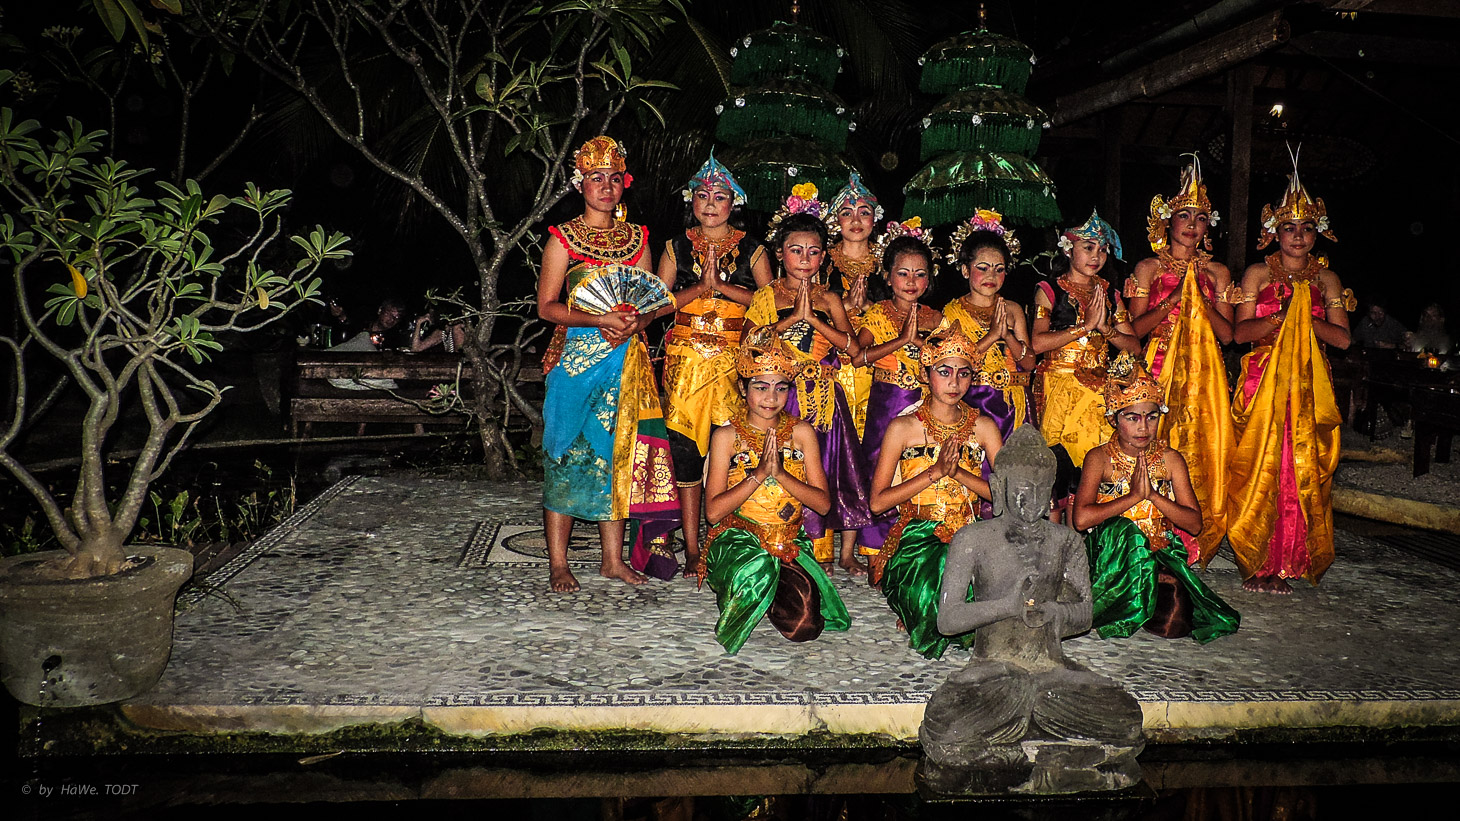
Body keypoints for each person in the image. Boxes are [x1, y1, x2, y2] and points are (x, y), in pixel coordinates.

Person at [537, 135, 679, 593]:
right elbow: (547, 307)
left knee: (616, 456)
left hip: (626, 361)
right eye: (596, 178)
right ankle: (558, 563)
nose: (606, 186)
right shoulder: (562, 238)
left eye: (614, 178)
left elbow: (652, 302)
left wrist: (637, 323)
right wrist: (599, 319)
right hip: (576, 360)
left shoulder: (638, 240)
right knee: (565, 454)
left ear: (624, 185)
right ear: (580, 184)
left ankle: (612, 561)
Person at [1229, 150, 1354, 594]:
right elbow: (1240, 334)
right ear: (1273, 232)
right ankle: (1257, 559)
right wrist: (1280, 319)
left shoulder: (1327, 280)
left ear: (1318, 233)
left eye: (1306, 228)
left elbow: (1342, 340)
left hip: (1308, 384)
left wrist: (1303, 316)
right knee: (1261, 466)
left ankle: (1289, 562)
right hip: (1263, 380)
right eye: (1289, 227)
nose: (1298, 236)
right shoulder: (1257, 274)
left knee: (1301, 470)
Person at [698, 328, 850, 655]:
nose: (771, 398)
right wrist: (758, 475)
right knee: (756, 573)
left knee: (805, 626)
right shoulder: (726, 437)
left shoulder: (801, 433)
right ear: (743, 388)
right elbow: (713, 512)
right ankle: (756, 589)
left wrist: (780, 473)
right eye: (761, 387)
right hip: (739, 539)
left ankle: (772, 593)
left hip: (788, 541)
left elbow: (823, 505)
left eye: (781, 388)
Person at [1072, 353, 1241, 643]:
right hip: (1112, 557)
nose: (1143, 427)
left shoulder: (1170, 459)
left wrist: (1152, 495)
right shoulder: (1099, 458)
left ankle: (1140, 600)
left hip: (1158, 553)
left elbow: (1194, 524)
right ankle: (1126, 601)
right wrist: (1133, 497)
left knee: (1175, 621)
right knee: (1125, 532)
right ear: (1114, 419)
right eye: (1133, 418)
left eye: (1152, 417)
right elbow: (1081, 520)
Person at [658, 152, 772, 577]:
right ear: (692, 201)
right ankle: (692, 547)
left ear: (733, 202)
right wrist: (699, 289)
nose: (710, 204)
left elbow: (771, 304)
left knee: (733, 450)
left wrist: (720, 287)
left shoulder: (753, 249)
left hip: (733, 364)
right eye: (703, 196)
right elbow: (657, 305)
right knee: (685, 453)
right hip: (686, 365)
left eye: (720, 196)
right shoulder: (674, 246)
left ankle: (727, 540)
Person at [749, 188, 873, 577]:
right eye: (796, 250)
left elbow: (853, 347)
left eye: (813, 251)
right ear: (780, 254)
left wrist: (814, 319)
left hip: (825, 396)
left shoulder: (830, 298)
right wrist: (791, 318)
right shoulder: (767, 296)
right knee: (792, 463)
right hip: (783, 396)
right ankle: (788, 539)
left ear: (823, 256)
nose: (805, 258)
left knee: (835, 466)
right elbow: (751, 345)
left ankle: (837, 551)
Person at [1126, 158, 1239, 566]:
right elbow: (1133, 331)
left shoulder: (1219, 273)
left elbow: (1228, 336)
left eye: (1201, 217)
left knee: (1204, 450)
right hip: (1158, 367)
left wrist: (1200, 301)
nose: (1193, 224)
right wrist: (1174, 300)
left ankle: (1195, 540)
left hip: (1205, 374)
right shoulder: (1149, 268)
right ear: (1167, 221)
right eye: (1184, 215)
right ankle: (1148, 536)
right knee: (1153, 444)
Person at [869, 325, 1003, 658]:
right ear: (926, 374)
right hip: (919, 535)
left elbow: (1005, 497)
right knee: (935, 593)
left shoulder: (984, 427)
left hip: (970, 534)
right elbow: (877, 503)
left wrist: (958, 474)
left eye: (963, 373)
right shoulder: (903, 428)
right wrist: (935, 473)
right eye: (944, 372)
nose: (954, 382)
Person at [854, 228, 944, 560]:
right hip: (887, 402)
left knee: (918, 469)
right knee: (880, 468)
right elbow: (858, 356)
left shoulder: (936, 318)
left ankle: (914, 545)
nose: (911, 281)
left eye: (920, 274)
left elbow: (947, 359)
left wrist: (917, 340)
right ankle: (874, 550)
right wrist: (901, 341)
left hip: (926, 405)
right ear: (888, 276)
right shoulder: (878, 313)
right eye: (903, 273)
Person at [1031, 211, 1141, 475]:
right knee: (1061, 468)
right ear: (1068, 249)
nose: (1096, 256)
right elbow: (1037, 343)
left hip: (1100, 390)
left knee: (1099, 468)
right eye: (1088, 248)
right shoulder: (1049, 290)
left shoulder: (1111, 294)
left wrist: (1105, 329)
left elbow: (1135, 347)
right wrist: (1085, 327)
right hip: (1061, 388)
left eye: (1102, 250)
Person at [941, 209, 1035, 440]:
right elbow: (954, 363)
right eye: (982, 268)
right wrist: (992, 336)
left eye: (999, 269)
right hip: (973, 400)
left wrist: (1008, 336)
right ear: (965, 270)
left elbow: (1029, 363)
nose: (991, 275)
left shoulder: (1012, 309)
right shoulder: (952, 312)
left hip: (1014, 403)